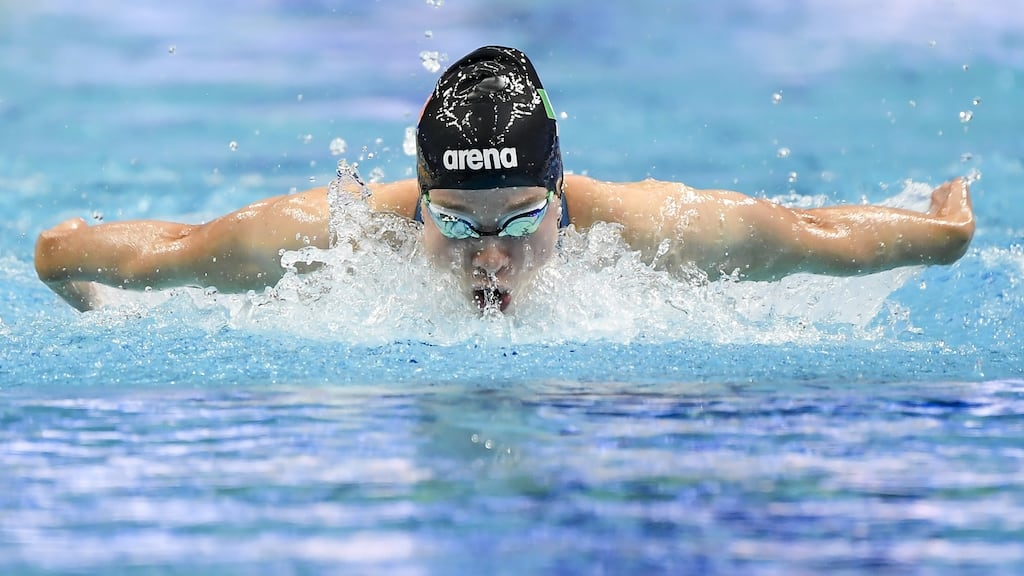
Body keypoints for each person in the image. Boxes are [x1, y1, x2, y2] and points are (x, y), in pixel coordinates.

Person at [35, 46, 975, 313]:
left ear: (561, 196)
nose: (491, 256)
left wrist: (947, 232)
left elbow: (817, 237)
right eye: (456, 224)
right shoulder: (338, 237)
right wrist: (70, 276)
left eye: (523, 222)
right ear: (420, 196)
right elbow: (141, 252)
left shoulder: (663, 231)